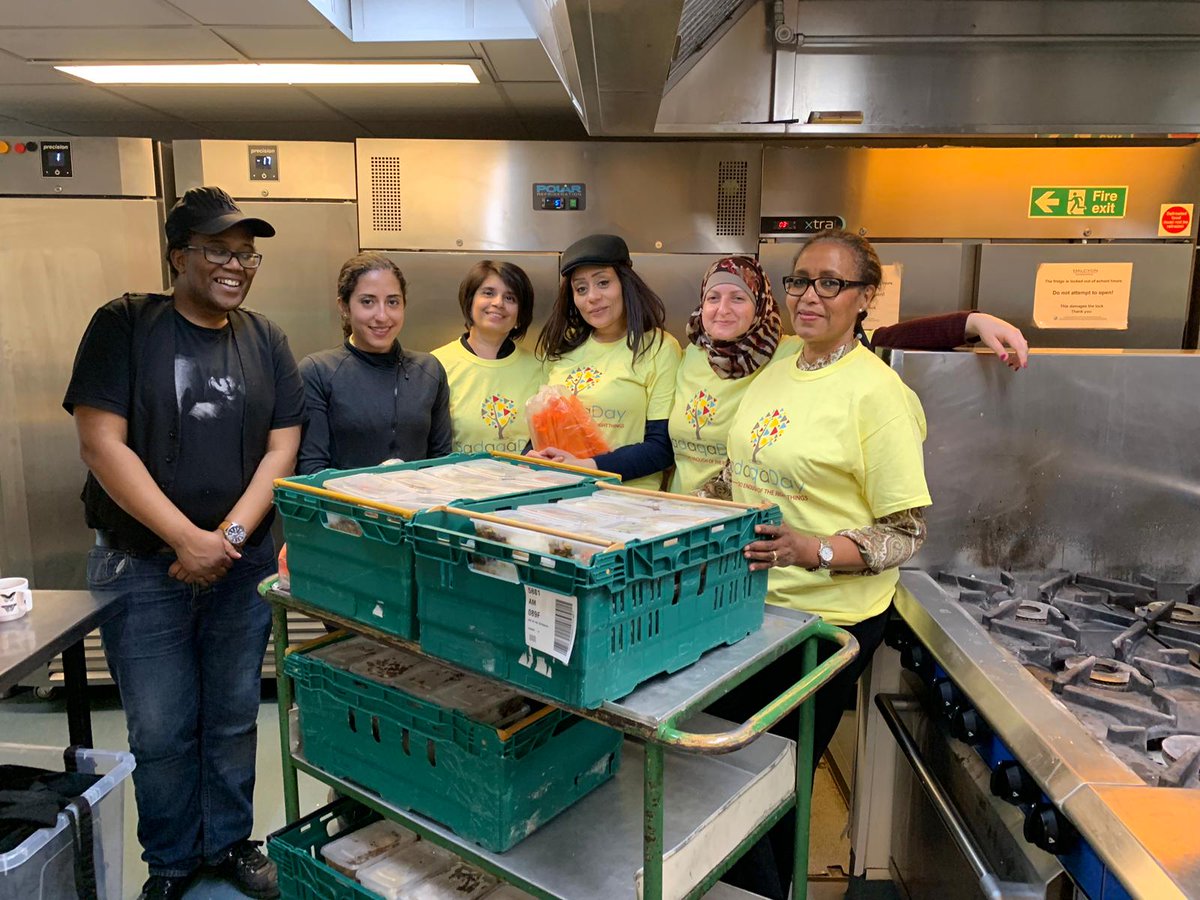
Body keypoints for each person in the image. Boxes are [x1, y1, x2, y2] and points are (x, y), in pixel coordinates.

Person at [63, 186, 305, 900]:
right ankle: (169, 863)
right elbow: (100, 444)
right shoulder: (125, 325)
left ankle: (228, 842)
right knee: (162, 726)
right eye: (217, 251)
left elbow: (282, 447)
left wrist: (224, 539)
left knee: (233, 715)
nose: (236, 265)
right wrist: (184, 539)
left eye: (246, 254)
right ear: (178, 256)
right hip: (141, 564)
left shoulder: (265, 338)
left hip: (239, 563)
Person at [708, 231, 937, 899]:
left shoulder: (878, 395)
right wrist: (692, 512)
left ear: (865, 297)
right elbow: (742, 470)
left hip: (824, 626)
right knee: (730, 776)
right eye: (800, 280)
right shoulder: (783, 361)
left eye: (831, 283)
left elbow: (906, 532)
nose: (810, 296)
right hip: (752, 605)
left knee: (763, 786)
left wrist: (813, 549)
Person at [670, 253, 1028, 494]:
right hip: (682, 519)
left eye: (738, 298)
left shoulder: (791, 353)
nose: (723, 309)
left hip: (750, 524)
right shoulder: (689, 356)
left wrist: (970, 323)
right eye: (713, 298)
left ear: (761, 305)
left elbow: (883, 339)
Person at [529, 234, 681, 488]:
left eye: (603, 283)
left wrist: (586, 467)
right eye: (581, 289)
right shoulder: (564, 350)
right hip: (558, 495)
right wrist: (531, 456)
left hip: (626, 500)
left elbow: (661, 448)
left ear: (625, 284)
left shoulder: (659, 348)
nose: (592, 297)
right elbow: (543, 430)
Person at [298, 252, 451, 475]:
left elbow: (443, 463)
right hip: (340, 499)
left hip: (420, 498)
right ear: (344, 306)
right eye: (367, 302)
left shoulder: (429, 370)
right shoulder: (318, 371)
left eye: (392, 302)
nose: (382, 316)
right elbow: (312, 469)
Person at [431, 260, 544, 455]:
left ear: (520, 314)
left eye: (510, 298)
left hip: (523, 474)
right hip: (454, 474)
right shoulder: (435, 365)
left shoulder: (540, 368)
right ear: (470, 302)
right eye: (488, 293)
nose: (498, 303)